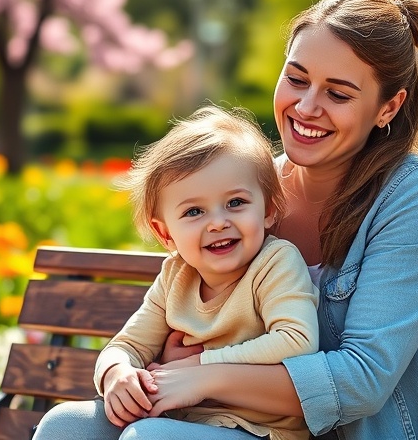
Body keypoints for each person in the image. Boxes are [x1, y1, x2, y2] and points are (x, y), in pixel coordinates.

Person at [41, 0, 418, 440]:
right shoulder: (248, 189)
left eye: (338, 94)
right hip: (221, 421)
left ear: (389, 107)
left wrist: (200, 373)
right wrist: (129, 371)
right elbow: (157, 333)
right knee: (65, 428)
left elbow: (361, 381)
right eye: (297, 79)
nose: (307, 106)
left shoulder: (415, 195)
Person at [35, 105, 320, 440]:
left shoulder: (274, 263)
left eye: (236, 203)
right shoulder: (175, 275)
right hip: (181, 422)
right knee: (62, 424)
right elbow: (127, 345)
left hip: (258, 431)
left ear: (268, 209)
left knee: (147, 437)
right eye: (194, 211)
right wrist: (116, 372)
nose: (218, 222)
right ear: (166, 233)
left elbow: (297, 341)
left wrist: (198, 367)